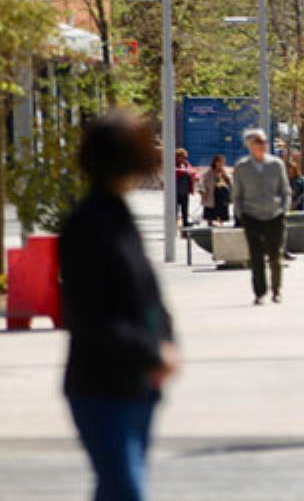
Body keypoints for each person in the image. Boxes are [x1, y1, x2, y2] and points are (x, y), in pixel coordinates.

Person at [61, 109, 180, 501]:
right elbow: (89, 312)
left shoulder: (119, 215)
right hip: (101, 383)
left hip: (137, 381)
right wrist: (152, 350)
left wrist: (166, 340)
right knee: (125, 489)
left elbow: (147, 294)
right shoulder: (86, 225)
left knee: (117, 489)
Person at [233, 129, 290, 305]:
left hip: (275, 215)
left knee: (275, 255)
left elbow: (285, 190)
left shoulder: (276, 164)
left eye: (264, 141)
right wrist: (240, 214)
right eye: (258, 141)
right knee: (256, 256)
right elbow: (237, 194)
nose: (262, 145)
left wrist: (284, 211)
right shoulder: (242, 167)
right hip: (251, 216)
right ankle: (259, 292)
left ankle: (276, 289)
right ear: (249, 144)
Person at [200, 154, 232, 226]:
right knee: (211, 207)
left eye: (222, 162)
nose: (221, 164)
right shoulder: (210, 171)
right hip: (212, 192)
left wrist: (226, 177)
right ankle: (210, 221)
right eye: (219, 162)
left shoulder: (224, 171)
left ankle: (221, 221)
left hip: (222, 193)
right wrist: (203, 191)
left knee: (222, 207)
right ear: (215, 162)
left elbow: (229, 182)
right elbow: (203, 182)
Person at [174, 148, 196, 228]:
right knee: (175, 209)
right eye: (182, 157)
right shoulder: (173, 164)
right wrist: (186, 172)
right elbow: (176, 171)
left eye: (185, 157)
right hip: (175, 191)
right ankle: (173, 223)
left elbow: (192, 171)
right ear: (177, 157)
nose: (184, 159)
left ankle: (185, 222)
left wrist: (194, 175)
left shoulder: (186, 164)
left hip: (185, 190)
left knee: (185, 208)